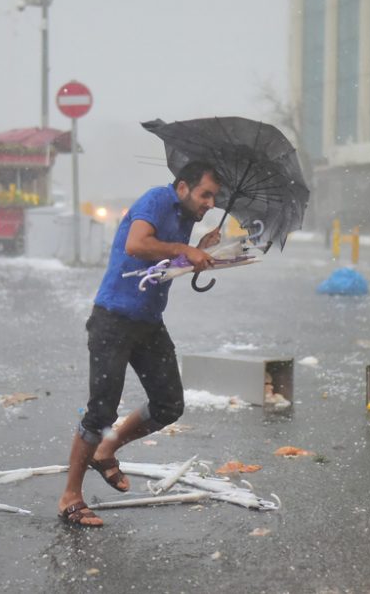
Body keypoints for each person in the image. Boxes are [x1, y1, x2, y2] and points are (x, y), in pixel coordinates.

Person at [57, 161, 222, 527]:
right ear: (183, 187)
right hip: (113, 320)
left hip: (148, 323)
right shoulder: (157, 200)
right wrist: (184, 247)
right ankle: (70, 495)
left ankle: (107, 450)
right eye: (205, 194)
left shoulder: (186, 216)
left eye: (215, 196)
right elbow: (136, 245)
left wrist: (197, 251)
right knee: (100, 412)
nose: (211, 203)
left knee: (169, 405)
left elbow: (161, 262)